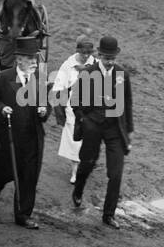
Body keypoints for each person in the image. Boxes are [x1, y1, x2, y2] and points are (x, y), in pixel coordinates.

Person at [72, 35, 133, 229]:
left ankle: (109, 214)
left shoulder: (122, 74)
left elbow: (128, 104)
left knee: (116, 173)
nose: (110, 62)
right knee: (88, 163)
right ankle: (79, 188)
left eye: (113, 58)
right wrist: (84, 119)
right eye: (106, 58)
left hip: (115, 128)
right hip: (93, 126)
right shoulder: (87, 73)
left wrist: (129, 131)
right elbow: (76, 101)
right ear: (99, 55)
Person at [0, 37, 48, 228]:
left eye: (35, 58)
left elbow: (46, 103)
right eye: (30, 58)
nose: (34, 62)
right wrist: (2, 108)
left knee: (29, 177)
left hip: (32, 137)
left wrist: (44, 110)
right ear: (19, 59)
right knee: (5, 172)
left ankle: (23, 215)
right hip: (8, 137)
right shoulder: (2, 79)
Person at [52, 35, 95, 184]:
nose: (86, 55)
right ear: (78, 50)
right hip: (73, 108)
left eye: (89, 52)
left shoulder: (94, 63)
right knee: (74, 141)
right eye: (83, 52)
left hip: (91, 108)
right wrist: (60, 109)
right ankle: (75, 172)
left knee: (88, 140)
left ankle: (85, 165)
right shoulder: (68, 65)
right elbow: (59, 87)